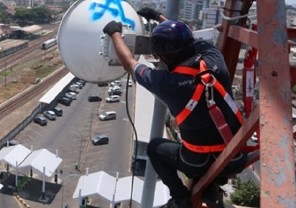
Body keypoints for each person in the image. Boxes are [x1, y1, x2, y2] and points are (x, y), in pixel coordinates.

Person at [102, 7, 248, 208]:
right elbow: (189, 39)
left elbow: (129, 63)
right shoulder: (215, 59)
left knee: (154, 148)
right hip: (235, 158)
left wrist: (114, 33)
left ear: (163, 57)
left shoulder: (166, 83)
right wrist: (160, 18)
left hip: (196, 163)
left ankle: (180, 196)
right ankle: (208, 185)